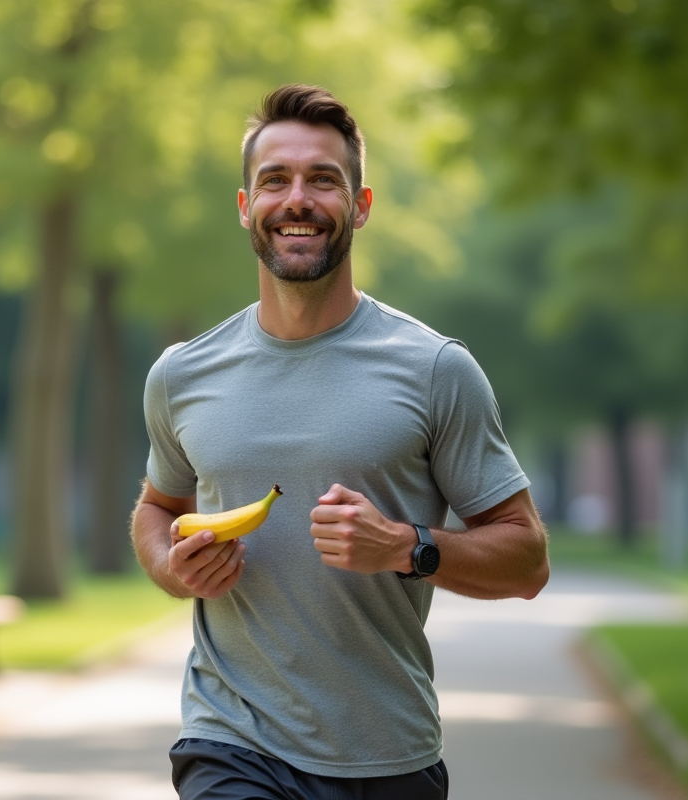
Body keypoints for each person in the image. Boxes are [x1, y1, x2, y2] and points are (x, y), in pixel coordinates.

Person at [131, 83, 550, 800]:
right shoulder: (182, 374)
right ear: (246, 207)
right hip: (230, 741)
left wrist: (408, 547)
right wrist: (172, 569)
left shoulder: (435, 369)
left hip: (387, 756)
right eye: (275, 180)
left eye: (323, 179)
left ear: (360, 206)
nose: (297, 199)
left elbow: (528, 560)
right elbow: (156, 508)